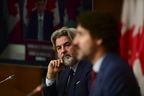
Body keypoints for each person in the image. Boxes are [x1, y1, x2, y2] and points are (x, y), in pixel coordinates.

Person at [73, 11, 141, 96]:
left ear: (99, 38)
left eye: (81, 34)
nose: (75, 42)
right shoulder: (101, 69)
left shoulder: (115, 70)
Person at [44, 27, 92, 96]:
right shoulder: (64, 72)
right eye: (59, 48)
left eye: (67, 45)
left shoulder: (90, 69)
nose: (63, 51)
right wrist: (50, 76)